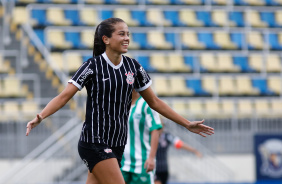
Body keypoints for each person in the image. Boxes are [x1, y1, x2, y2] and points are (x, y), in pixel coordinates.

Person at [26, 17, 214, 184]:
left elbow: (155, 102)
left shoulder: (133, 67)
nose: (127, 38)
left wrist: (187, 124)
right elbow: (64, 96)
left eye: (128, 34)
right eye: (121, 34)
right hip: (94, 141)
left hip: (117, 144)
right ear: (106, 39)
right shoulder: (92, 66)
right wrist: (41, 116)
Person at [121, 89, 162, 184]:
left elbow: (155, 130)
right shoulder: (121, 105)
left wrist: (151, 157)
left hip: (142, 162)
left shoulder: (147, 105)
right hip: (123, 161)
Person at [154, 120, 202, 184]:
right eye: (158, 127)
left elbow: (179, 144)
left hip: (164, 170)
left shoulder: (167, 136)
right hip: (154, 169)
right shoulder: (149, 136)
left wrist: (194, 150)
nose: (160, 129)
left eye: (162, 126)